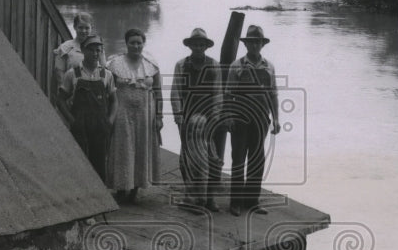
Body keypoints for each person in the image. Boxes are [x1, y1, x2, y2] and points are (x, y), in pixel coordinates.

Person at [225, 25, 280, 216]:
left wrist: (276, 119)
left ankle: (252, 201)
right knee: (238, 159)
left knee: (257, 160)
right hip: (240, 119)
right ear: (246, 44)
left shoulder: (269, 66)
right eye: (251, 42)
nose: (254, 45)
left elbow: (273, 94)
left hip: (261, 119)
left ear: (262, 44)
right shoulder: (236, 66)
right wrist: (229, 116)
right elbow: (228, 95)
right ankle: (236, 203)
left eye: (257, 42)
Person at [107, 28, 162, 202]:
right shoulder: (114, 64)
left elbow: (158, 92)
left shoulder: (151, 65)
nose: (136, 46)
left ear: (143, 43)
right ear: (126, 43)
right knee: (123, 147)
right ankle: (121, 188)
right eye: (132, 42)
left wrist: (159, 116)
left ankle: (135, 189)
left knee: (141, 147)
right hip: (122, 110)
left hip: (145, 112)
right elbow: (108, 90)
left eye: (139, 42)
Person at [172, 28, 223, 212]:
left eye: (202, 44)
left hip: (207, 119)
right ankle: (191, 196)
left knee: (211, 158)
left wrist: (216, 116)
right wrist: (178, 116)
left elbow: (218, 93)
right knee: (186, 158)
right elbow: (176, 91)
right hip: (188, 119)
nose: (198, 47)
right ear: (190, 46)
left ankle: (209, 198)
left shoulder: (214, 66)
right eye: (195, 44)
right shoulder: (181, 65)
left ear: (206, 47)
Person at [57, 34, 115, 181]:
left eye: (98, 51)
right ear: (83, 50)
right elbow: (60, 100)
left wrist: (110, 121)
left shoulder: (106, 74)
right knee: (80, 161)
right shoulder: (73, 73)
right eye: (91, 50)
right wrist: (72, 120)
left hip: (100, 125)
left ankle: (101, 198)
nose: (95, 54)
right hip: (80, 124)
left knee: (100, 161)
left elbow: (115, 100)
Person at [53, 13, 97, 113]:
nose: (83, 31)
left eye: (87, 28)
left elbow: (103, 71)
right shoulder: (65, 47)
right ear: (74, 27)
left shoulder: (97, 47)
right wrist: (67, 95)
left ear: (91, 28)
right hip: (71, 94)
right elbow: (59, 73)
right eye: (80, 27)